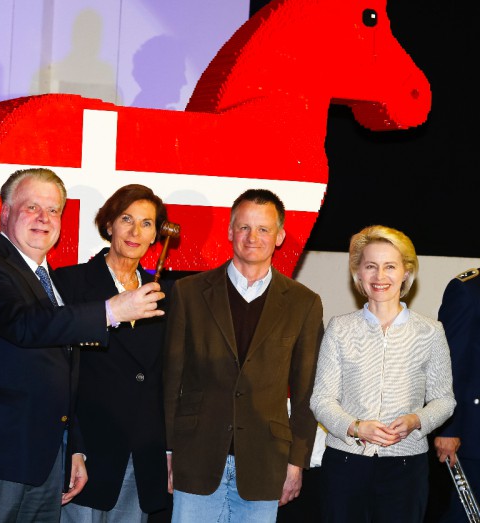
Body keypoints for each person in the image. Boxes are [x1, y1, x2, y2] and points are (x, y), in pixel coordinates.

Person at [0, 168, 166, 523]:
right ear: (5, 213)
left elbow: (64, 372)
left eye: (53, 210)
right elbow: (23, 326)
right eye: (32, 207)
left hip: (43, 463)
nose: (44, 218)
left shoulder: (46, 281)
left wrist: (72, 447)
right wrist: (110, 310)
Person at [163, 188, 324, 523]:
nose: (253, 237)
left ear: (279, 237)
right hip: (196, 457)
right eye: (244, 227)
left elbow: (307, 391)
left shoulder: (303, 302)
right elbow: (170, 378)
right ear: (230, 231)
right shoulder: (189, 293)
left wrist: (297, 462)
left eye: (264, 229)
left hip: (267, 462)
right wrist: (168, 450)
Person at [310, 225, 456, 523]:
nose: (380, 276)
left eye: (390, 266)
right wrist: (355, 427)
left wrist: (417, 421)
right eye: (371, 267)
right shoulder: (340, 328)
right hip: (346, 465)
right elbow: (321, 399)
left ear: (406, 272)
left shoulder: (430, 331)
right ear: (359, 274)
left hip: (406, 467)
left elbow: (444, 401)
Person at [56, 184, 171, 522]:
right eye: (127, 219)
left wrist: (166, 447)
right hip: (87, 450)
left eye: (147, 223)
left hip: (140, 453)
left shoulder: (164, 295)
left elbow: (164, 378)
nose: (136, 231)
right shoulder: (71, 283)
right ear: (109, 225)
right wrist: (72, 444)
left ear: (156, 235)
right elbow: (59, 371)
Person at [434, 267, 480, 522]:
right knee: (466, 515)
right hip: (475, 435)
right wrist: (448, 428)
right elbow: (448, 363)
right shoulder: (468, 289)